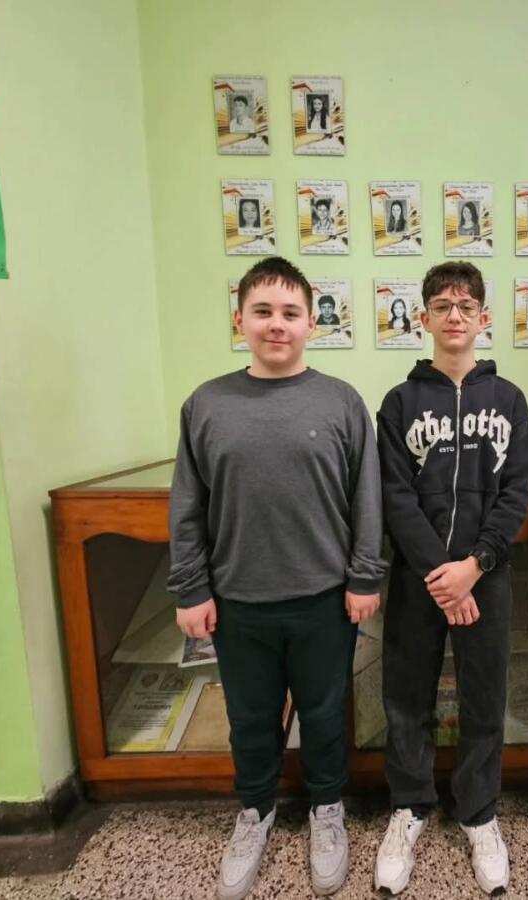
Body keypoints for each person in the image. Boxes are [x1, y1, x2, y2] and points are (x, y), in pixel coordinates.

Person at [168, 256, 386, 900]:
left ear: (312, 323)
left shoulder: (342, 402)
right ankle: (255, 812)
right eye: (262, 311)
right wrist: (190, 588)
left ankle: (327, 809)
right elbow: (187, 506)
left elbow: (366, 500)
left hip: (324, 600)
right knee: (250, 718)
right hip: (238, 602)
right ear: (239, 319)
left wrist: (365, 576)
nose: (276, 324)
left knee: (324, 715)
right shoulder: (206, 405)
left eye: (290, 313)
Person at [373, 261, 528, 896]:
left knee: (484, 699)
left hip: (485, 577)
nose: (455, 316)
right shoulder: (400, 403)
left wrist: (474, 566)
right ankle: (409, 807)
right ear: (424, 318)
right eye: (442, 306)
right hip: (420, 579)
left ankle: (479, 813)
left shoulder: (510, 400)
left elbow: (516, 492)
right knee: (406, 695)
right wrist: (439, 576)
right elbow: (394, 495)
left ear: (484, 317)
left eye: (466, 306)